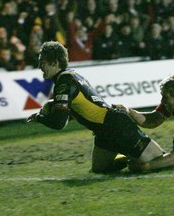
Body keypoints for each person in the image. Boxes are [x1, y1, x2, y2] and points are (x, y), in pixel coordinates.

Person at [26, 41, 166, 174]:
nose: (39, 66)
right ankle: (132, 158)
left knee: (159, 160)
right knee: (100, 169)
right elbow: (82, 108)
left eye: (42, 62)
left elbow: (59, 123)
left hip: (116, 126)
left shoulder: (64, 82)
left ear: (54, 63)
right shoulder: (71, 75)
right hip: (103, 131)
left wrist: (40, 118)